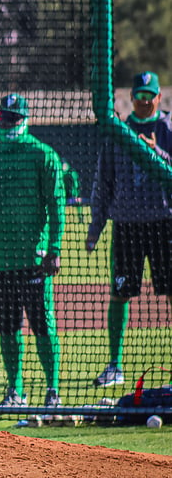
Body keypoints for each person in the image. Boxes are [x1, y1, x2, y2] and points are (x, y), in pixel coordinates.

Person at [0, 94, 66, 408]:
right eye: (1, 117)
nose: (6, 123)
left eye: (12, 117)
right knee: (7, 330)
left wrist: (55, 248)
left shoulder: (43, 156)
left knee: (43, 326)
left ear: (24, 119)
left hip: (33, 262)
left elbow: (56, 206)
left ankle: (53, 391)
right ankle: (15, 390)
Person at [86, 71, 172, 387]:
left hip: (165, 224)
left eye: (150, 95)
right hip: (127, 225)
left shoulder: (167, 129)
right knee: (120, 293)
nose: (145, 101)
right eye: (139, 95)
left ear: (159, 97)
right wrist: (96, 227)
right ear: (132, 97)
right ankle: (114, 365)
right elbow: (103, 183)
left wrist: (155, 152)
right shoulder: (118, 133)